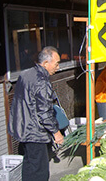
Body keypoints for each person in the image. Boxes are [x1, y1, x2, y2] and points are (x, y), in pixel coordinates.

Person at [8, 46, 64, 181]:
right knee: (39, 171)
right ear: (46, 63)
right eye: (56, 64)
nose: (58, 68)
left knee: (29, 165)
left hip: (22, 128)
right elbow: (44, 112)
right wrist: (56, 133)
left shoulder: (25, 74)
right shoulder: (42, 82)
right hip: (35, 133)